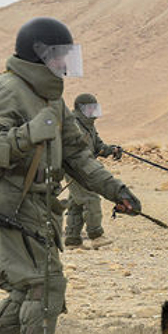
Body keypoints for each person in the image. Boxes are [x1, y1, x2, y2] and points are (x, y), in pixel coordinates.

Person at [0, 17, 141, 334]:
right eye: (59, 56)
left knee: (31, 289)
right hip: (14, 202)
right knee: (44, 285)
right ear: (38, 54)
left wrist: (115, 189)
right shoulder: (6, 89)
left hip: (43, 203)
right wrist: (28, 135)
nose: (64, 64)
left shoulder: (52, 98)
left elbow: (77, 156)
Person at [64, 93, 122, 250]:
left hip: (87, 168)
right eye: (89, 108)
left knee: (76, 203)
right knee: (91, 198)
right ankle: (96, 235)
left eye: (94, 108)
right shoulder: (72, 124)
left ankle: (72, 240)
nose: (93, 111)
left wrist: (112, 150)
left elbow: (98, 146)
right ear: (80, 108)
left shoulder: (89, 125)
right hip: (75, 169)